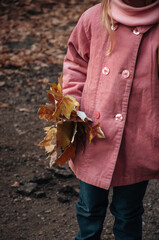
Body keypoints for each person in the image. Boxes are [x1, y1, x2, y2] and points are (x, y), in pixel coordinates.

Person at [62, 0, 159, 239]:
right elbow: (76, 63)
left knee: (128, 212)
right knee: (88, 207)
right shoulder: (94, 18)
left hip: (139, 136)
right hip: (94, 132)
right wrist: (72, 104)